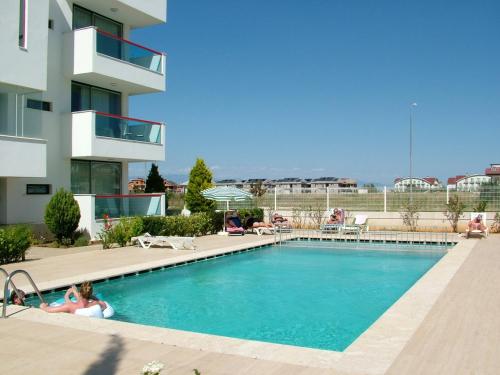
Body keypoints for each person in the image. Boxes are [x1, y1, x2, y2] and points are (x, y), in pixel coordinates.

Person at [40, 281, 105, 314]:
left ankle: (72, 291)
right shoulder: (96, 304)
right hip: (84, 300)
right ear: (90, 294)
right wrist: (92, 296)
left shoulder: (69, 306)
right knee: (80, 299)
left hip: (75, 305)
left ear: (80, 293)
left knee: (69, 300)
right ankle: (74, 290)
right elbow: (104, 305)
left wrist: (43, 306)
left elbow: (49, 310)